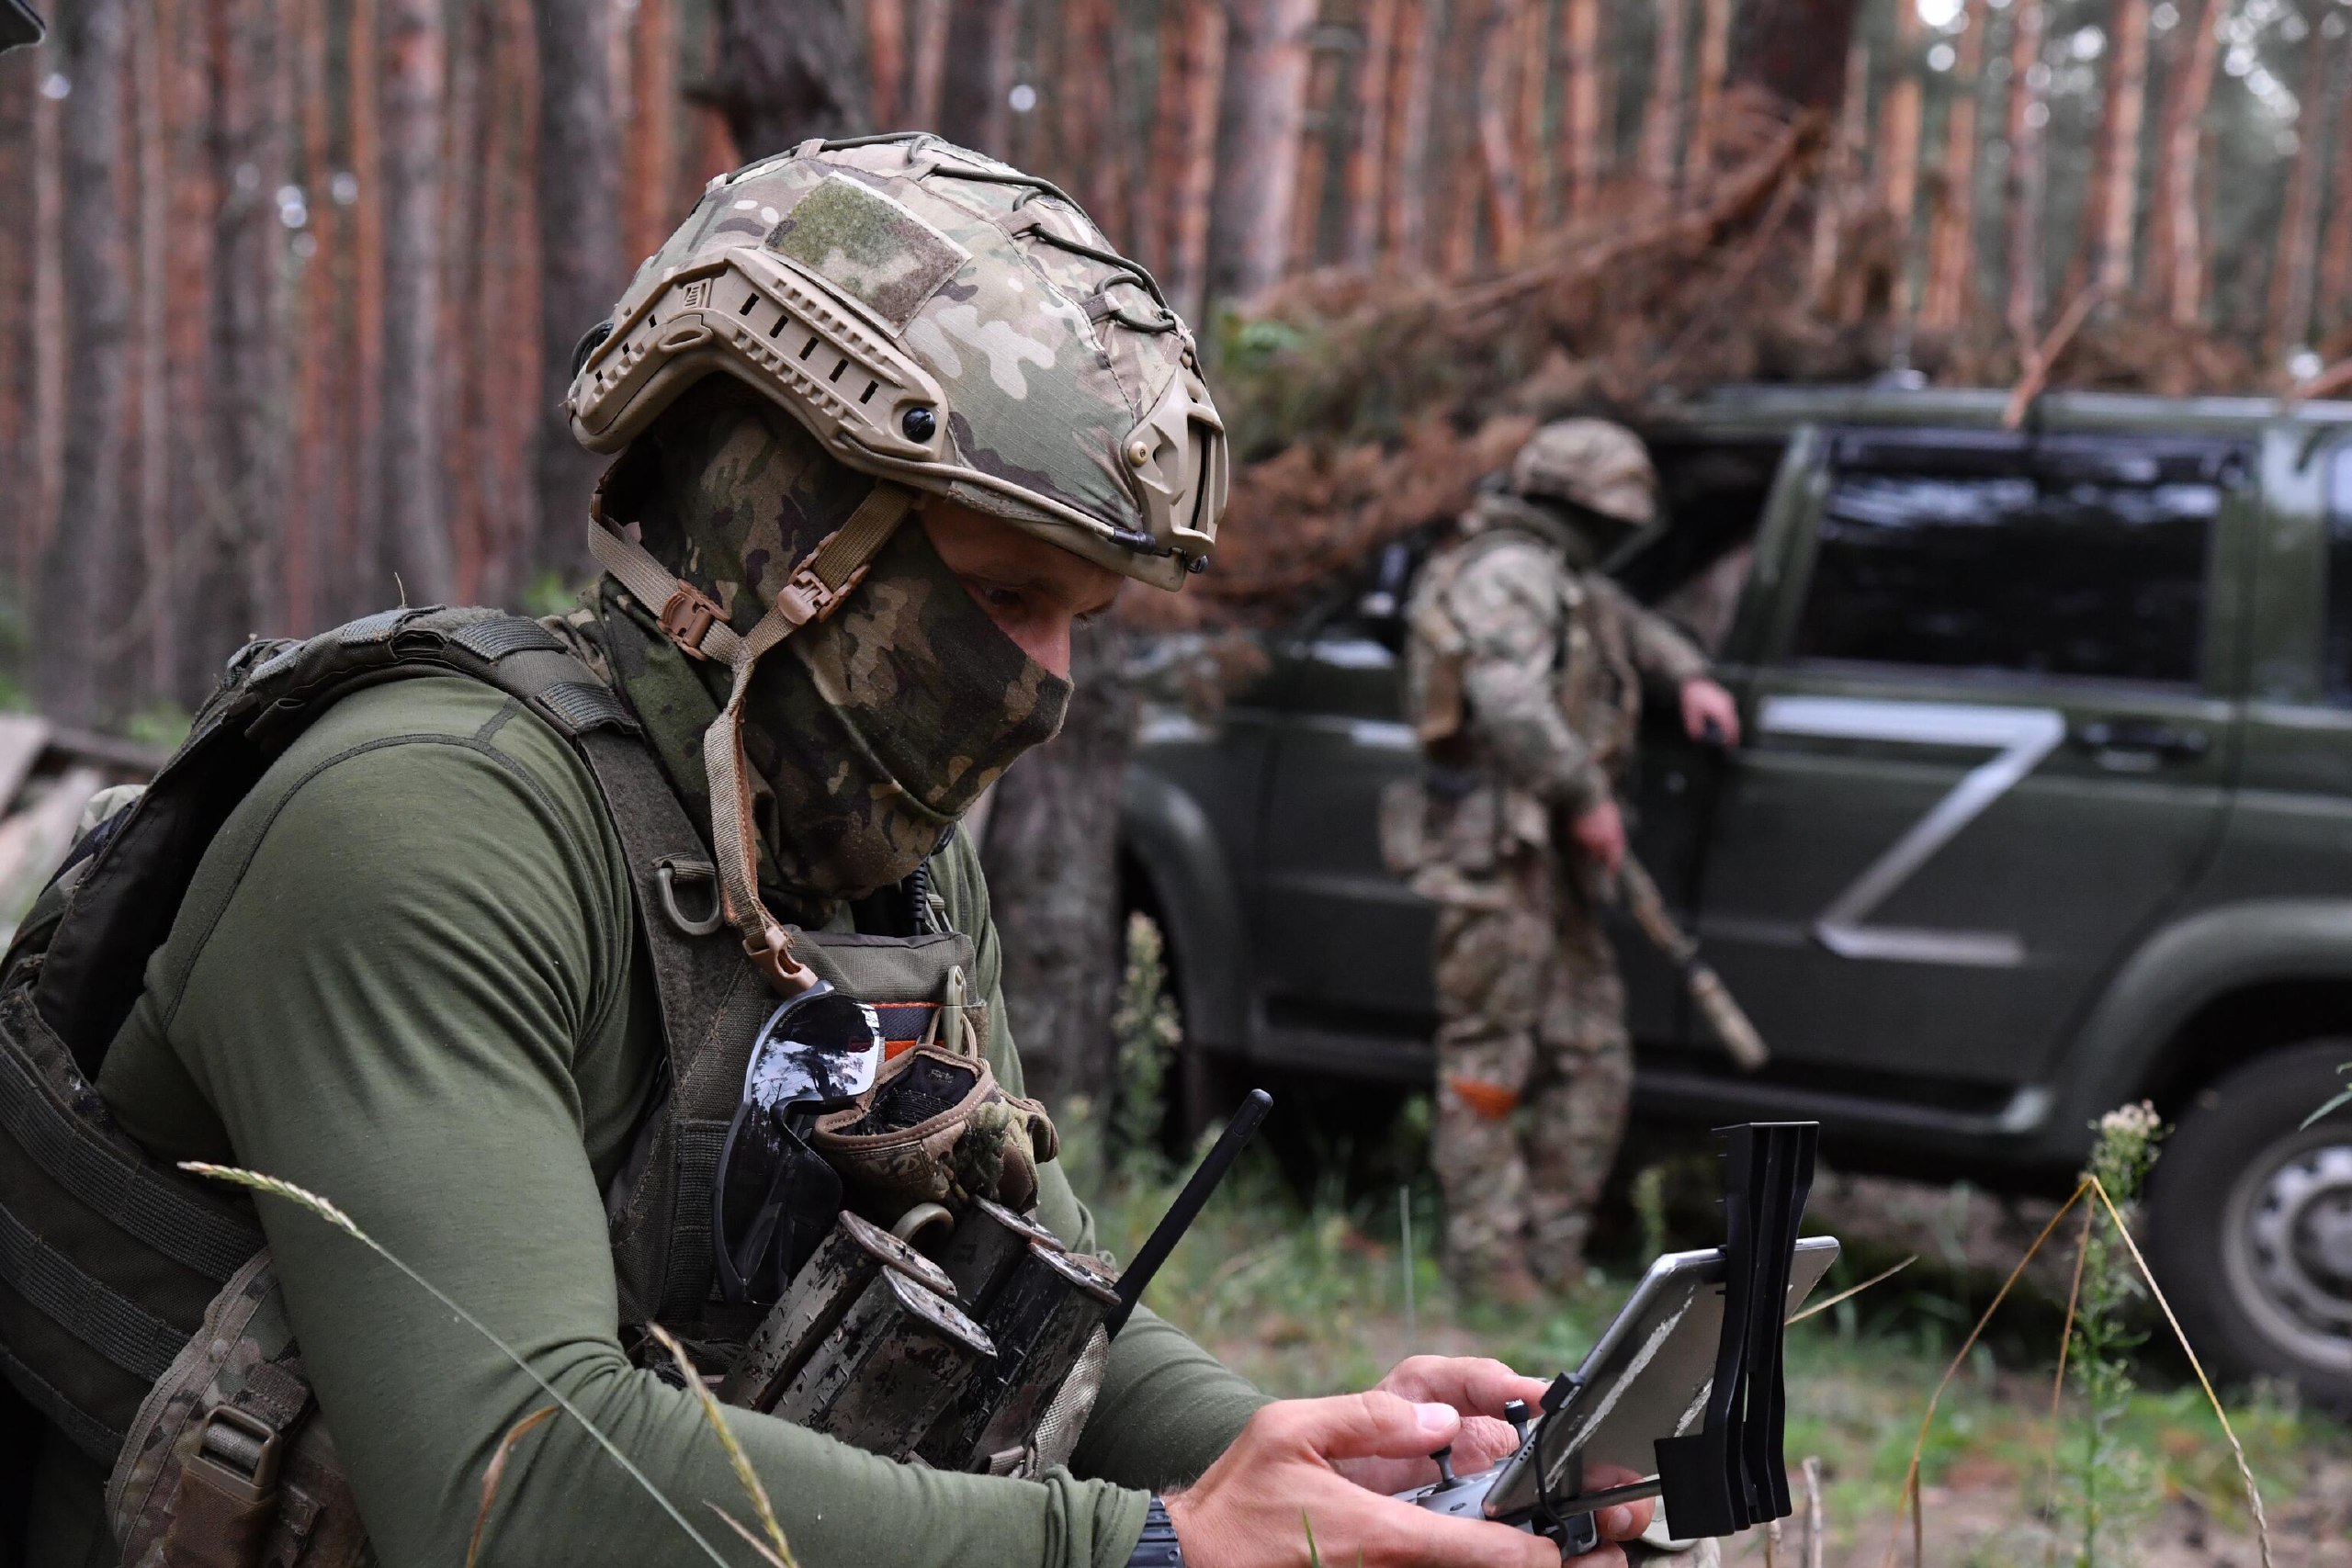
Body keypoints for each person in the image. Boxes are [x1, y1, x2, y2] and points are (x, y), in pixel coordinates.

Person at [6, 141, 1651, 1568]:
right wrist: (1151, 1541)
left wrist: (1312, 1462)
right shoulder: (430, 821)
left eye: (1082, 622)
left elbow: (1040, 1301)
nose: (1049, 690)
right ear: (785, 543)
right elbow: (507, 1479)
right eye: (1007, 597)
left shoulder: (880, 873)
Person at [1394, 419, 1741, 1302]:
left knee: (1592, 1056)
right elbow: (1504, 697)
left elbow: (1621, 619)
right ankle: (1487, 1261)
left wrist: (1688, 673)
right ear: (1578, 506)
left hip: (1550, 866)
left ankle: (1551, 1252)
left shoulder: (1560, 577)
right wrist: (1586, 796)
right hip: (1499, 853)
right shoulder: (1509, 573)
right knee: (1489, 1055)